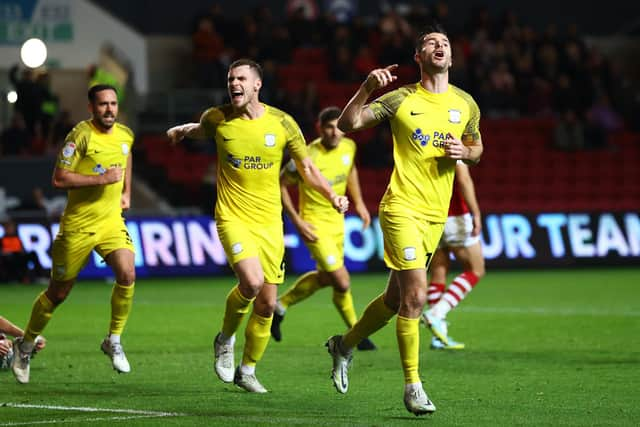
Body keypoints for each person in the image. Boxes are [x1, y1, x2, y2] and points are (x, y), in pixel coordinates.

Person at [325, 24, 483, 415]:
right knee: (415, 296)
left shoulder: (465, 103)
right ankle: (413, 386)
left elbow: (478, 148)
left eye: (445, 42)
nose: (440, 46)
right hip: (400, 208)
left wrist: (464, 151)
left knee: (395, 300)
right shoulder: (400, 98)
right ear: (419, 56)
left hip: (435, 216)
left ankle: (342, 346)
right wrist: (366, 88)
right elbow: (348, 125)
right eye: (431, 43)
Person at [166, 59, 348, 393]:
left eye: (240, 79)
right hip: (233, 217)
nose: (233, 84)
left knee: (266, 304)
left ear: (256, 85)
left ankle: (247, 369)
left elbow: (307, 168)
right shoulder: (218, 118)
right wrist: (182, 130)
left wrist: (332, 195)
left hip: (270, 224)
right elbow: (200, 129)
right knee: (250, 283)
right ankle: (224, 339)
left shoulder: (283, 123)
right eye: (230, 78)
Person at [11, 84, 136, 384]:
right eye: (103, 104)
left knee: (127, 274)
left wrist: (126, 191)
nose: (109, 109)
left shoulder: (125, 134)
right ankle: (25, 345)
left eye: (113, 104)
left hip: (111, 223)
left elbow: (126, 156)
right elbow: (59, 178)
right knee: (58, 293)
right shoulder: (79, 136)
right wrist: (101, 178)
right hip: (78, 226)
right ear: (91, 108)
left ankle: (113, 339)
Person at [272, 106, 375, 351]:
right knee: (342, 280)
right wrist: (296, 220)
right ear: (320, 128)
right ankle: (357, 332)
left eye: (339, 127)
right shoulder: (306, 157)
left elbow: (351, 172)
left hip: (337, 223)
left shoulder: (349, 147)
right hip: (314, 224)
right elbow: (281, 184)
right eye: (328, 127)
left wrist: (359, 204)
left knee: (327, 278)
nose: (334, 132)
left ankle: (281, 305)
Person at [422, 162, 485, 350]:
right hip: (455, 214)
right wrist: (476, 213)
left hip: (429, 214)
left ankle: (438, 336)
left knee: (438, 271)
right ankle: (437, 313)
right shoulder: (451, 136)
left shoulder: (422, 139)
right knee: (476, 269)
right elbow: (463, 178)